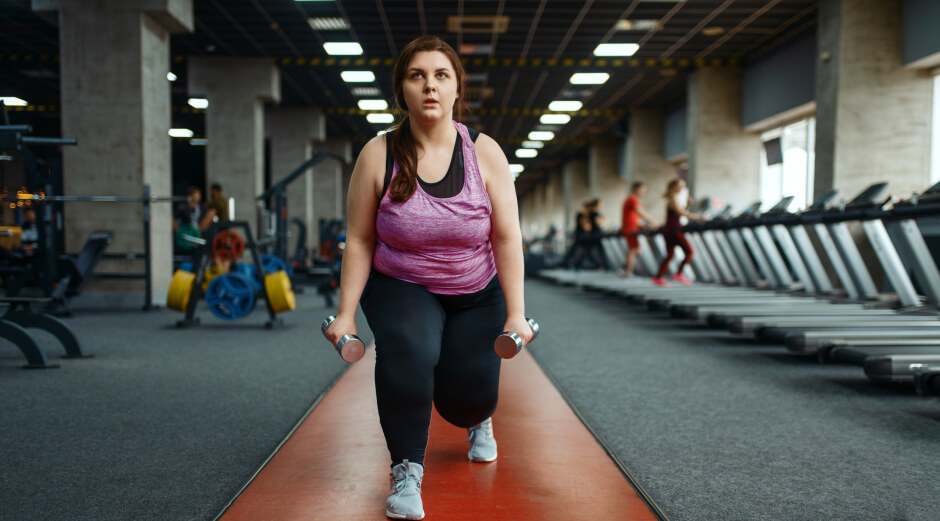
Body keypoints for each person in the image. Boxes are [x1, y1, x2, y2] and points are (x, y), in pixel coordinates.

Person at [322, 35, 531, 521]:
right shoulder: (378, 154)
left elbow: (506, 238)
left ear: (457, 89)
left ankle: (478, 418)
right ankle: (406, 470)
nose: (430, 86)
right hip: (401, 283)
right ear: (402, 91)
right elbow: (359, 239)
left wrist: (516, 313)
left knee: (464, 397)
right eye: (417, 76)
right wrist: (347, 312)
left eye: (441, 76)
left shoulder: (485, 153)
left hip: (476, 290)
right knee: (410, 352)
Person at [652, 178, 704, 287]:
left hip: (669, 229)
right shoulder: (673, 197)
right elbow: (680, 212)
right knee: (689, 251)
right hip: (674, 229)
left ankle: (658, 277)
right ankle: (678, 274)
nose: (682, 187)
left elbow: (679, 211)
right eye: (680, 185)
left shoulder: (672, 198)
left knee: (670, 255)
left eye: (683, 185)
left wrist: (688, 206)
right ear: (674, 186)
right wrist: (698, 217)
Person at [620, 182, 659, 277]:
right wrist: (653, 221)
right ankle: (628, 271)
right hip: (630, 229)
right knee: (633, 249)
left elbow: (633, 217)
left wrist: (642, 225)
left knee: (635, 249)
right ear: (636, 189)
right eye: (642, 190)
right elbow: (640, 212)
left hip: (631, 227)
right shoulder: (633, 199)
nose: (643, 192)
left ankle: (627, 269)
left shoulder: (630, 199)